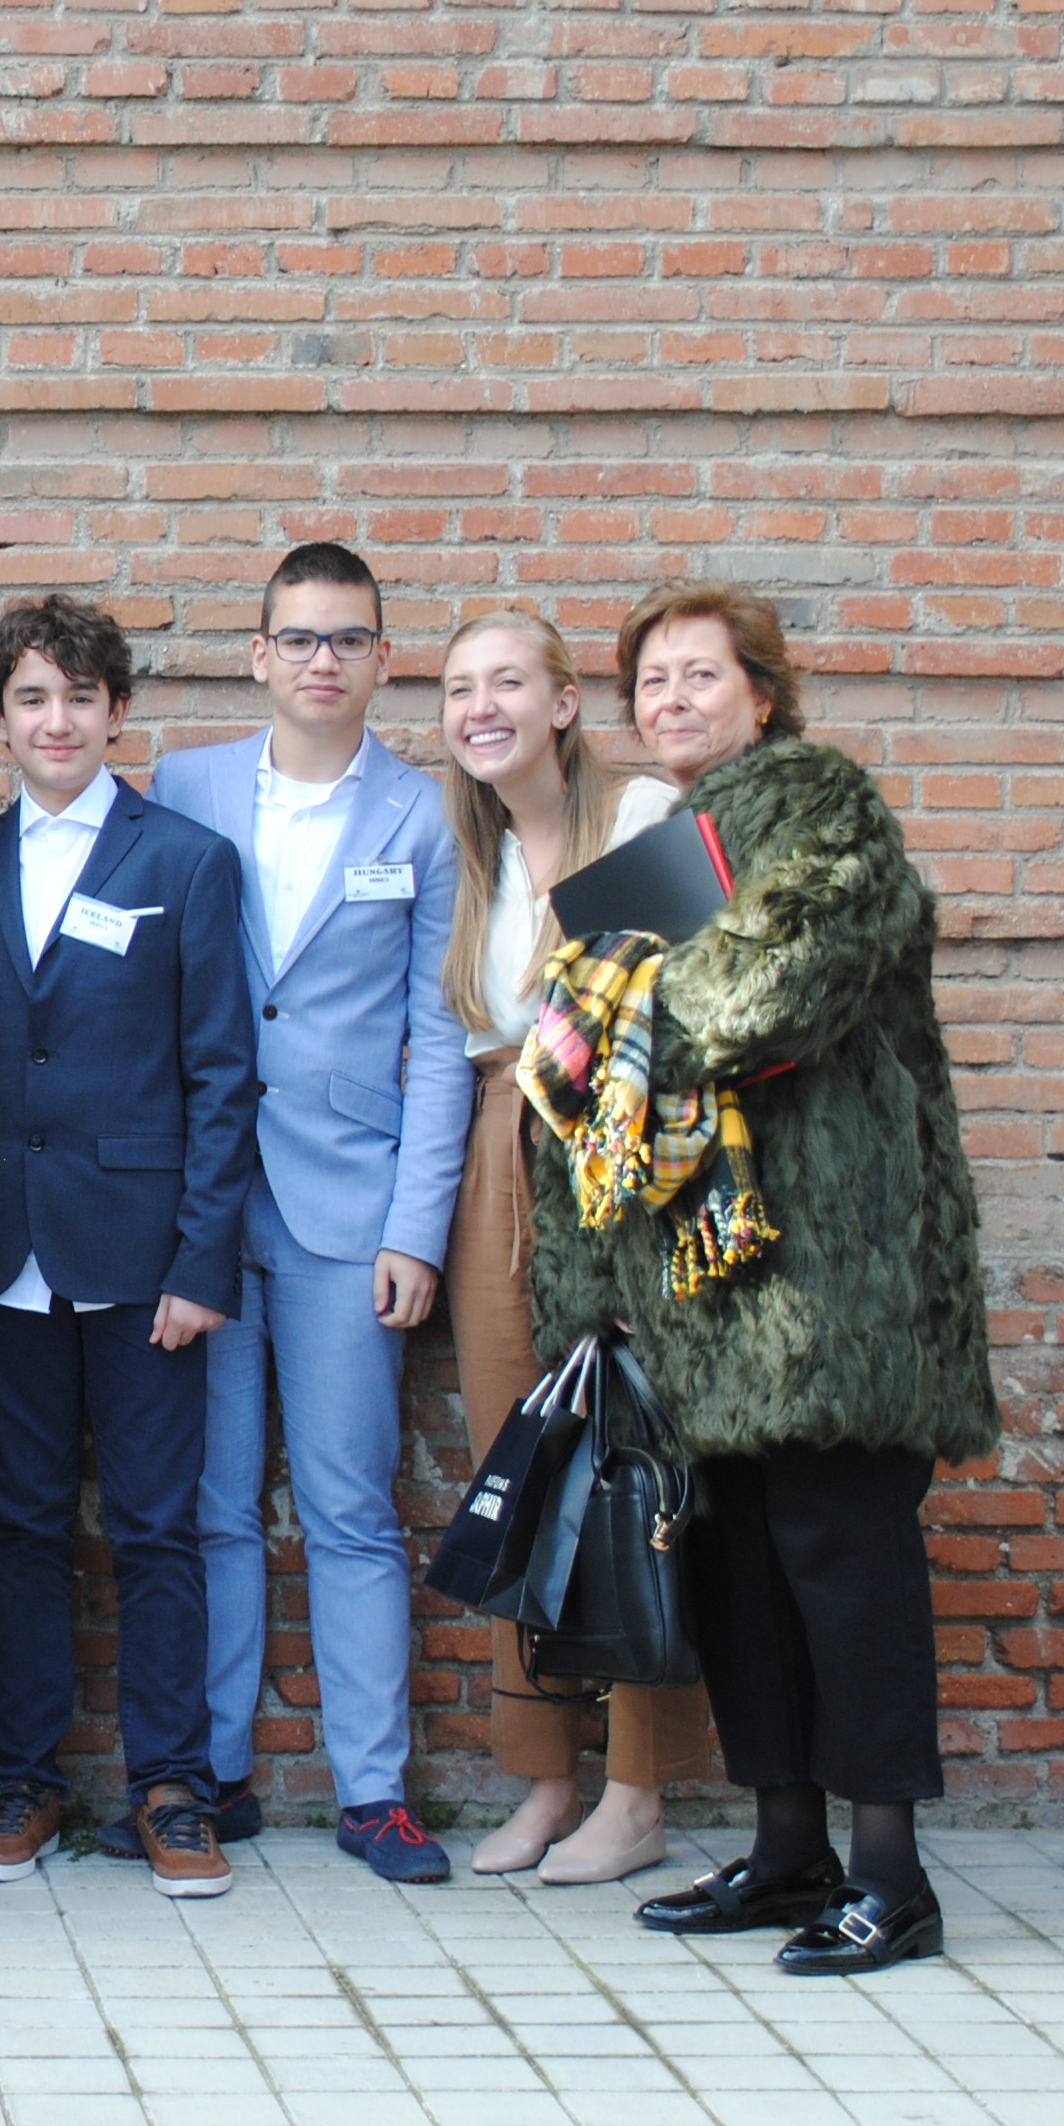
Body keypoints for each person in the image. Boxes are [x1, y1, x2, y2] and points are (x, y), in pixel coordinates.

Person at [529, 585, 994, 1977]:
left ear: (764, 695)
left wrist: (617, 1001)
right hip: (697, 1282)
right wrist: (588, 1282)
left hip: (832, 1281)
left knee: (844, 1567)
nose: (671, 700)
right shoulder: (664, 854)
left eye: (700, 676)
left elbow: (764, 995)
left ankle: (891, 1876)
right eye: (651, 681)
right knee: (737, 1572)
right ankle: (788, 1848)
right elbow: (568, 1081)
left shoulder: (824, 814)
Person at [146, 541, 471, 1885]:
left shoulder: (425, 817)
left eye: (348, 639)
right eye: (299, 637)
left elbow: (441, 1037)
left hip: (351, 1204)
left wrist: (416, 1228)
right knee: (214, 1503)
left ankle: (373, 1792)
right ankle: (216, 1776)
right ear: (259, 655)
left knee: (347, 1504)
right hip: (206, 1200)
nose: (322, 660)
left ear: (382, 660)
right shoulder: (185, 787)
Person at [0, 597, 260, 1895]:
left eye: (79, 697)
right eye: (30, 698)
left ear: (118, 712)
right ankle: (20, 1784)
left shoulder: (185, 861)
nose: (56, 720)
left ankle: (173, 1788)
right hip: (0, 1247)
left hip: (142, 1255)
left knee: (157, 1527)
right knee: (17, 1524)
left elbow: (221, 1073)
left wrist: (200, 1261)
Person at [433, 610, 718, 1885]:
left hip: (616, 1156)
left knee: (632, 1466)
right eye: (458, 689)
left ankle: (638, 1788)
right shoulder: (469, 851)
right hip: (498, 1152)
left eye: (507, 682)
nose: (480, 707)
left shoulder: (642, 814)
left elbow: (691, 1016)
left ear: (560, 703)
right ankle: (544, 1774)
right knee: (516, 1463)